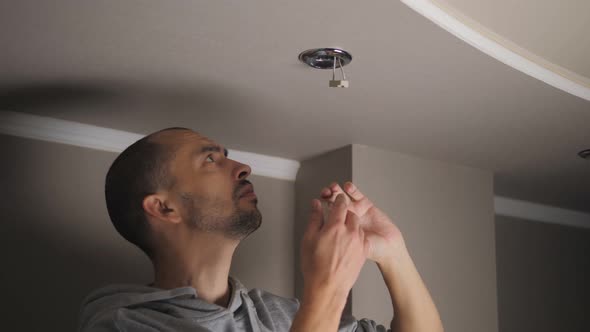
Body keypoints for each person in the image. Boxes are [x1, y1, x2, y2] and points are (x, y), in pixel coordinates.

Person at [78, 127, 444, 332]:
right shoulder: (123, 325)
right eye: (210, 160)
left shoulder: (278, 314)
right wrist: (327, 290)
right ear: (163, 207)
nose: (242, 167)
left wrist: (394, 253)